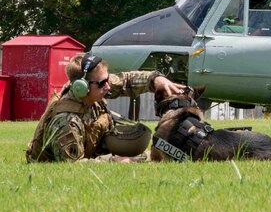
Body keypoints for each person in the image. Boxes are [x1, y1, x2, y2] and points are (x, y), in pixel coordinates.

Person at [26, 53, 186, 163]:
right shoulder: (66, 121)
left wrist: (156, 79)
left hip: (94, 151)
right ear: (82, 87)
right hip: (77, 158)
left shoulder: (95, 87)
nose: (108, 86)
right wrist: (113, 161)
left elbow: (126, 81)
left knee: (145, 144)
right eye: (103, 83)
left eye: (107, 80)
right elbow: (72, 166)